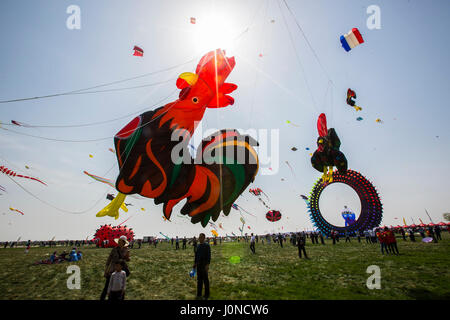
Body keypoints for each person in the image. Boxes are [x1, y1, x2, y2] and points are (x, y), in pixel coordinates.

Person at [100, 236, 130, 300]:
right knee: (107, 286)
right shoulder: (114, 249)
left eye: (121, 241)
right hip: (112, 269)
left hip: (121, 270)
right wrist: (106, 270)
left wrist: (127, 255)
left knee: (120, 286)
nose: (119, 242)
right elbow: (109, 259)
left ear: (124, 242)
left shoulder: (126, 250)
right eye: (119, 241)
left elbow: (127, 260)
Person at [193, 233, 210, 300]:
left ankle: (206, 295)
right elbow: (196, 256)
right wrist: (195, 264)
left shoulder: (207, 245)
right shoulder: (198, 246)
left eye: (201, 237)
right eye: (199, 237)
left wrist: (207, 265)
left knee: (205, 280)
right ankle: (199, 294)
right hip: (199, 265)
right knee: (199, 280)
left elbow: (209, 256)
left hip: (204, 264)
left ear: (204, 238)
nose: (200, 238)